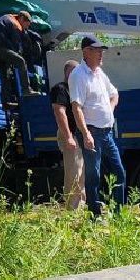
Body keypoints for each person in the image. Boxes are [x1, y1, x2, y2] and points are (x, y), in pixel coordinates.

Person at [69, 35, 126, 216]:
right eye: (97, 51)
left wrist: (109, 110)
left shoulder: (100, 73)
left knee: (119, 172)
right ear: (86, 52)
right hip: (92, 132)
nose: (101, 54)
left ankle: (118, 214)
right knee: (93, 176)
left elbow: (114, 94)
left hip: (106, 133)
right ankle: (95, 215)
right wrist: (85, 134)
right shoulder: (78, 75)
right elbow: (76, 107)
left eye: (102, 51)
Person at [50, 59, 86, 212]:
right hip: (70, 134)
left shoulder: (77, 89)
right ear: (68, 72)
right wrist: (69, 137)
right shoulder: (61, 89)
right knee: (74, 172)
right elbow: (59, 112)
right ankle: (73, 211)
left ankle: (81, 207)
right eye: (76, 71)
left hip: (79, 135)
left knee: (82, 172)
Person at [0, 9, 33, 102]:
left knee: (4, 75)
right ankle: (26, 90)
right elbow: (16, 45)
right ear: (22, 18)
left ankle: (6, 101)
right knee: (21, 61)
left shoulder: (6, 17)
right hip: (0, 48)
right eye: (26, 25)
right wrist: (18, 54)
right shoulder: (15, 24)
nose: (26, 28)